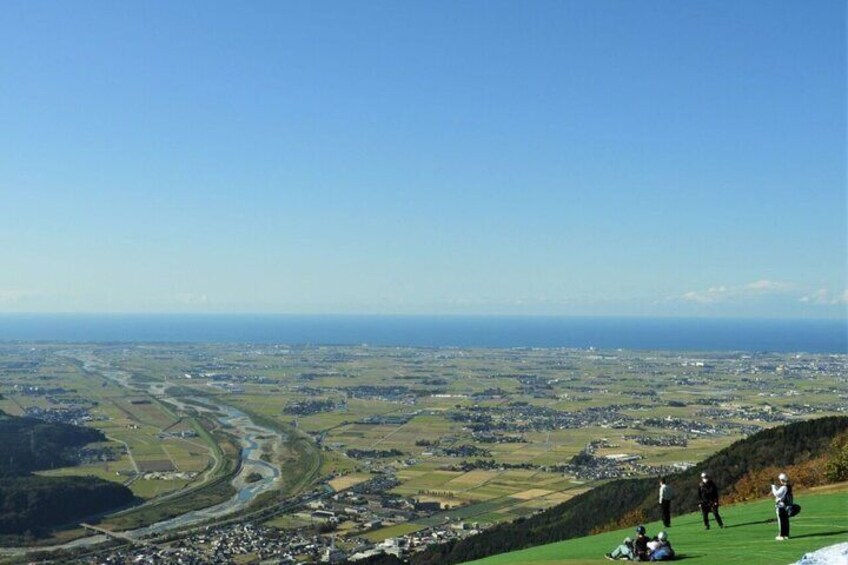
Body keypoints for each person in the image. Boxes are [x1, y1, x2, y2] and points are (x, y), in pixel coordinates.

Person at [772, 472, 793, 540]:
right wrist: (775, 487)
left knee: (781, 521)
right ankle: (786, 534)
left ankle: (781, 535)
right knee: (785, 521)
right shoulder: (788, 487)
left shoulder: (784, 487)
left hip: (781, 506)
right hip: (786, 506)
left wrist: (773, 487)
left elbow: (776, 494)